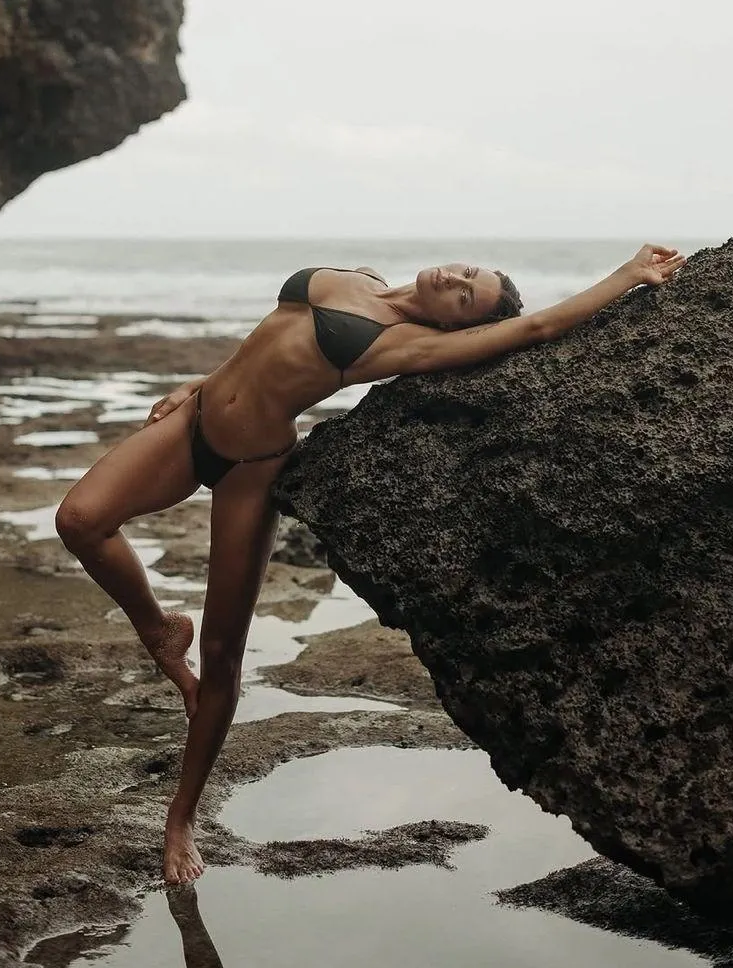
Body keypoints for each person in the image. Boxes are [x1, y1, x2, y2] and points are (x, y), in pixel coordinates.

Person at [55, 244, 685, 883]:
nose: (454, 279)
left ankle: (181, 818)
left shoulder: (403, 346)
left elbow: (537, 327)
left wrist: (628, 276)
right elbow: (268, 342)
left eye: (466, 296)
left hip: (249, 466)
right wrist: (204, 380)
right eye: (466, 271)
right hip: (194, 419)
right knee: (78, 521)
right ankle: (160, 631)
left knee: (222, 655)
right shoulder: (360, 278)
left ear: (452, 325)